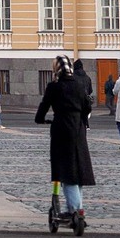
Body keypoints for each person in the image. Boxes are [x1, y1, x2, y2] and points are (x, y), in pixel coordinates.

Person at [35, 54, 95, 224]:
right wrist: (81, 119)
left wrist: (40, 119)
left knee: (66, 171)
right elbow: (87, 106)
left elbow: (44, 106)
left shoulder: (54, 86)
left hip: (62, 129)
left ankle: (75, 211)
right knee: (78, 170)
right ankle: (78, 209)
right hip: (79, 130)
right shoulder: (78, 84)